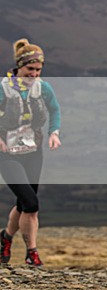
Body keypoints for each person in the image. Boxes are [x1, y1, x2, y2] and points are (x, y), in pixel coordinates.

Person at [0, 39, 61, 267]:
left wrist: (54, 132)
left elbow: (54, 110)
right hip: (7, 154)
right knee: (31, 203)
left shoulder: (43, 88)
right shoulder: (3, 88)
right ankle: (32, 253)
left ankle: (6, 237)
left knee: (24, 202)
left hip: (33, 152)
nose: (34, 74)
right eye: (30, 69)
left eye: (38, 70)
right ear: (19, 66)